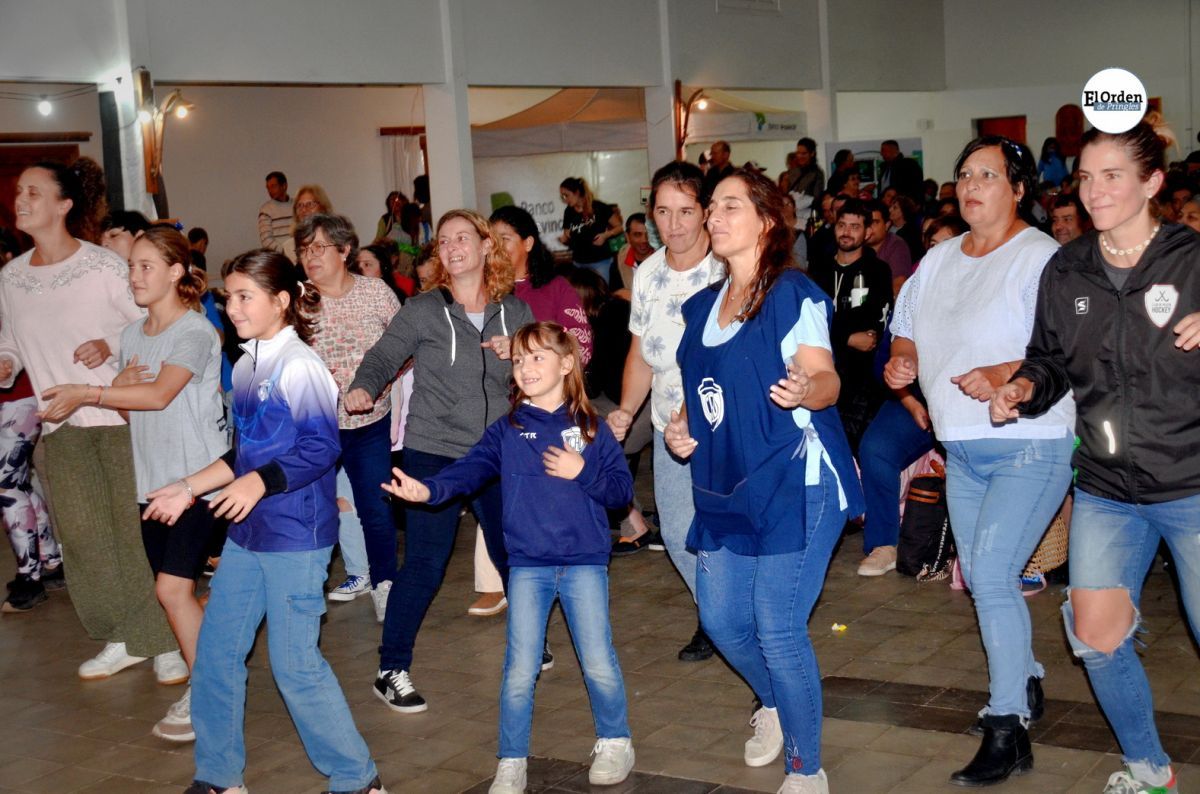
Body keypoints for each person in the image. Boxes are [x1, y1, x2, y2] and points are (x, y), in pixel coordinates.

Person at [991, 120, 1200, 794]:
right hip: (1110, 488)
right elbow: (1049, 360)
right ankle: (1148, 769)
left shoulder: (1192, 260)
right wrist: (1023, 387)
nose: (1095, 189)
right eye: (1085, 176)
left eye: (1113, 175)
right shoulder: (1068, 266)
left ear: (1153, 183)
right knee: (1096, 635)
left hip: (1192, 482)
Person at [143, 249, 387, 794]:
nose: (231, 307)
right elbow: (243, 454)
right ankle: (219, 777)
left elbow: (322, 447)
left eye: (244, 296)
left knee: (295, 664)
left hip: (296, 537)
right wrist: (188, 487)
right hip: (247, 534)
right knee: (216, 653)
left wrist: (258, 483)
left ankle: (358, 779)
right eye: (228, 296)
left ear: (282, 301)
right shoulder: (250, 361)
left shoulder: (300, 365)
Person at [885, 136, 1076, 786]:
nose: (970, 185)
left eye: (987, 175)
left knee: (991, 577)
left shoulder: (1040, 257)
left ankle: (1007, 727)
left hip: (1032, 444)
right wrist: (904, 357)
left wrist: (1001, 371)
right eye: (964, 174)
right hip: (960, 450)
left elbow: (1065, 351)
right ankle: (1023, 678)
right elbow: (906, 318)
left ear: (1019, 189)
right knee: (988, 578)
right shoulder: (939, 258)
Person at [668, 167, 863, 794]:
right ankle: (777, 700)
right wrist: (677, 429)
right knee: (723, 622)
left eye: (731, 206)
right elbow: (701, 397)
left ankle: (808, 769)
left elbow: (826, 379)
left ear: (767, 220)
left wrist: (807, 387)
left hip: (796, 480)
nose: (715, 218)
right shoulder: (698, 308)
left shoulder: (791, 294)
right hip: (726, 481)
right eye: (712, 207)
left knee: (777, 624)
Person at [387, 321, 636, 794]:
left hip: (584, 561)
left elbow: (621, 494)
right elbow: (468, 470)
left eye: (537, 357)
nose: (525, 368)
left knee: (598, 660)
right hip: (527, 565)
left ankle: (615, 740)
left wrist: (582, 471)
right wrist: (429, 490)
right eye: (519, 360)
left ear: (566, 365)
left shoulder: (592, 429)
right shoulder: (507, 431)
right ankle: (511, 758)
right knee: (519, 668)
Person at [40, 226, 228, 742]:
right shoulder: (129, 337)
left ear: (175, 272)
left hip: (197, 483)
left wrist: (91, 392)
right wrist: (117, 393)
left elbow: (163, 394)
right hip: (152, 484)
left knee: (171, 590)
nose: (135, 276)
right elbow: (135, 413)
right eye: (131, 266)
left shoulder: (193, 331)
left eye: (147, 266)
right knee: (179, 594)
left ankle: (207, 693)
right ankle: (219, 674)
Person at [0, 158, 181, 681]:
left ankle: (164, 638)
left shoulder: (103, 267)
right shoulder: (11, 277)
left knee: (132, 534)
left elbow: (155, 324)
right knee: (84, 541)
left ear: (63, 204)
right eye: (18, 191)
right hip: (59, 427)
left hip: (121, 419)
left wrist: (112, 347)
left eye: (34, 191)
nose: (22, 199)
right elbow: (12, 339)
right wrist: (7, 361)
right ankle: (124, 635)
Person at [347, 209, 534, 712]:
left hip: (498, 449)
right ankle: (391, 669)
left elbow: (553, 362)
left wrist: (519, 353)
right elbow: (384, 355)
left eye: (461, 238)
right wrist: (365, 386)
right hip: (434, 451)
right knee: (427, 563)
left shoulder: (513, 311)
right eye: (443, 242)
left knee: (513, 552)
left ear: (485, 246)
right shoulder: (424, 310)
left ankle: (532, 645)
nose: (451, 248)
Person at [606, 161, 724, 662]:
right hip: (666, 424)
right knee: (677, 533)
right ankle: (717, 617)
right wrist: (626, 410)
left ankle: (726, 620)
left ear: (705, 212)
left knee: (723, 530)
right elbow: (640, 353)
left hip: (722, 426)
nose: (673, 224)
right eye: (663, 212)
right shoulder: (648, 271)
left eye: (685, 211)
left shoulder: (725, 269)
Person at [296, 214, 401, 620]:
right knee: (313, 508)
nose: (310, 257)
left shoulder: (375, 293)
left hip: (369, 422)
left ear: (344, 250)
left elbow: (402, 347)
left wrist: (380, 387)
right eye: (304, 250)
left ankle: (385, 585)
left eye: (319, 248)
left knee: (374, 506)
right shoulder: (297, 300)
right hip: (315, 425)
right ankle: (304, 592)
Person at [807, 198, 893, 452]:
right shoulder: (819, 268)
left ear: (867, 232)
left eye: (855, 226)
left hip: (859, 378)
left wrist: (833, 330)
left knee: (850, 447)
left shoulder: (877, 270)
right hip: (819, 366)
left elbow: (870, 330)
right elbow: (810, 320)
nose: (846, 231)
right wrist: (846, 337)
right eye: (842, 225)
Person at [558, 177, 622, 284]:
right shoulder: (568, 211)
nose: (565, 199)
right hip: (579, 262)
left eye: (566, 195)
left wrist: (606, 235)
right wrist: (565, 237)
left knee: (601, 293)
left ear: (577, 192)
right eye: (562, 196)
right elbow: (567, 232)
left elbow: (619, 227)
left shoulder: (599, 207)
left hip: (600, 261)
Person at [282, 184, 333, 262]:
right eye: (299, 205)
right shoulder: (288, 247)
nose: (304, 209)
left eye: (310, 204)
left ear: (323, 208)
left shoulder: (335, 239)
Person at [614, 212, 654, 292]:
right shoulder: (619, 261)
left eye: (648, 234)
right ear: (627, 237)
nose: (644, 240)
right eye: (637, 235)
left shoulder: (665, 259)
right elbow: (616, 293)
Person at [257, 171, 291, 251]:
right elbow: (266, 240)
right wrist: (284, 252)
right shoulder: (266, 210)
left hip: (299, 255)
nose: (270, 191)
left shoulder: (297, 205)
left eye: (273, 186)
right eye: (268, 188)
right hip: (280, 257)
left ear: (284, 186)